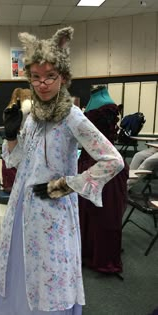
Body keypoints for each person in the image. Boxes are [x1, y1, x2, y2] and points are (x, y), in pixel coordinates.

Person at [0, 27, 124, 315]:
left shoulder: (72, 116)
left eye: (50, 76)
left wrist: (64, 185)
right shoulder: (33, 116)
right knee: (20, 267)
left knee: (50, 273)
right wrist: (11, 137)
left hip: (52, 213)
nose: (42, 84)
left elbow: (113, 160)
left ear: (63, 76)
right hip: (22, 209)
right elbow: (15, 160)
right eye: (35, 77)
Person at [78, 85, 129, 276]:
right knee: (86, 209)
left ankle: (104, 256)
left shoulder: (107, 105)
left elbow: (106, 137)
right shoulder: (97, 102)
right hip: (86, 160)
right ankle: (88, 250)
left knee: (104, 211)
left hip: (104, 163)